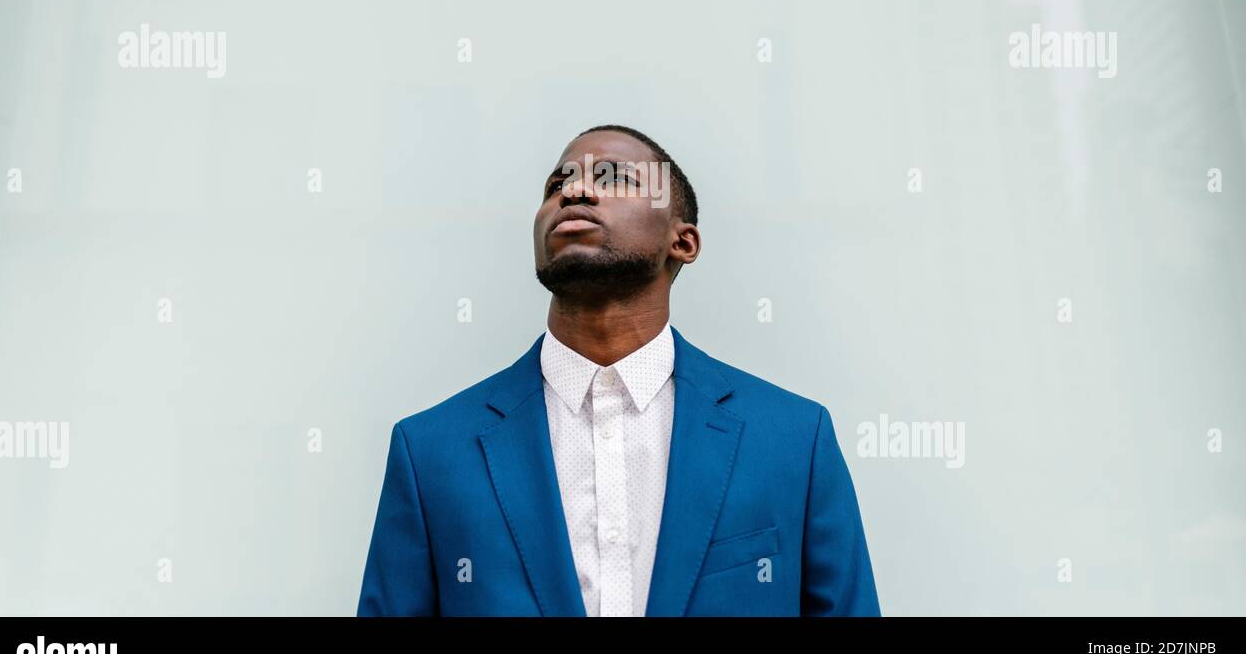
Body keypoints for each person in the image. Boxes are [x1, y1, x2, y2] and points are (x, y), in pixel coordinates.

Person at [357, 124, 880, 616]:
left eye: (613, 178)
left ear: (683, 241)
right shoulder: (430, 451)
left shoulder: (792, 440)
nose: (574, 191)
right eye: (557, 183)